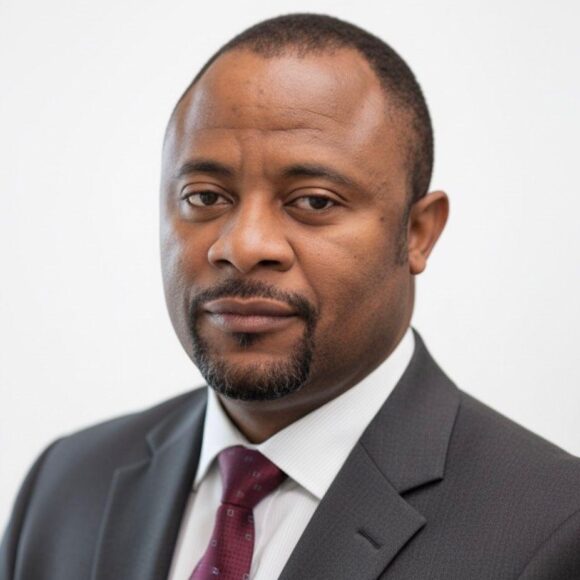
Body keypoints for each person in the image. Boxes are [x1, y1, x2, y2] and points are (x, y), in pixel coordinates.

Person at [2, 12, 580, 580]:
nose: (243, 245)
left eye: (314, 201)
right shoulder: (65, 485)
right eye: (205, 197)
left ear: (418, 233)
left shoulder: (553, 529)